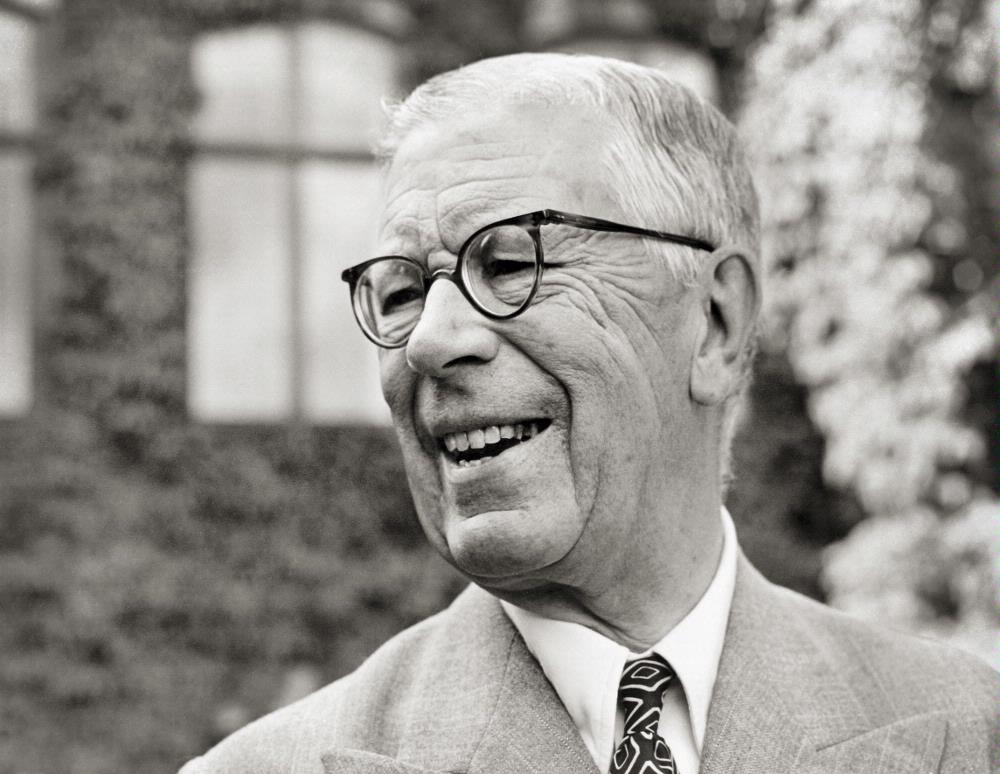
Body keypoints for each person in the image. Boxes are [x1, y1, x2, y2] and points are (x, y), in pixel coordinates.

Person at [180, 53, 997, 774]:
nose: (429, 339)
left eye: (509, 261)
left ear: (715, 322)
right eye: (400, 293)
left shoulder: (974, 734)